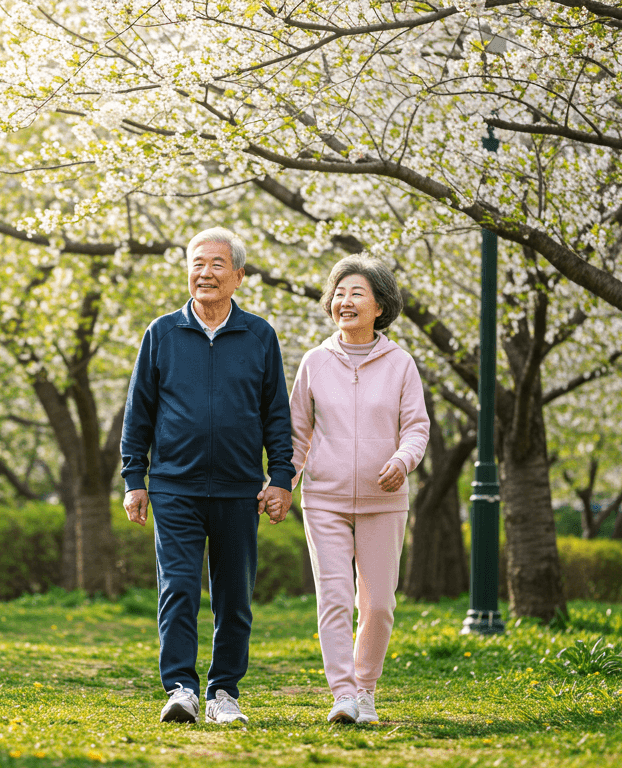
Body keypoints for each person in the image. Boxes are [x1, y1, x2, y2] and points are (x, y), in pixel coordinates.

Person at [120, 226, 295, 725]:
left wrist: (280, 477)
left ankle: (223, 692)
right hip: (175, 486)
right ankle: (180, 688)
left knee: (234, 597)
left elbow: (276, 416)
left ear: (238, 275)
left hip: (241, 489)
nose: (206, 273)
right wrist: (136, 480)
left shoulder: (259, 335)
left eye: (218, 264)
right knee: (177, 589)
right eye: (198, 263)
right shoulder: (161, 333)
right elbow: (139, 415)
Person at [289, 255, 429, 725]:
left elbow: (416, 428)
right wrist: (281, 485)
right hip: (324, 499)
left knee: (379, 603)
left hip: (383, 501)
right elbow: (295, 435)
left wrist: (401, 460)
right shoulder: (313, 362)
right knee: (333, 598)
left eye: (357, 294)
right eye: (339, 294)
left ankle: (366, 688)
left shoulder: (401, 364)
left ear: (380, 306)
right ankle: (344, 695)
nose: (345, 302)